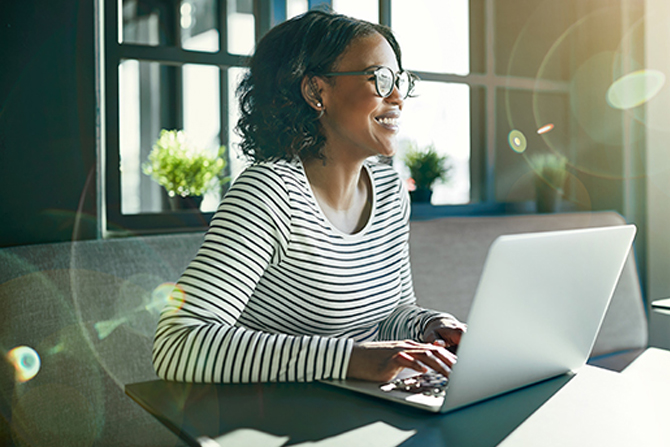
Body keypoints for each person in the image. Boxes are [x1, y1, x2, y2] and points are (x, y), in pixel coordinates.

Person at [152, 9, 466, 384]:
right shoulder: (267, 194)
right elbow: (178, 342)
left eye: (399, 80)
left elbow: (389, 314)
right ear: (317, 92)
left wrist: (430, 326)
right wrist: (349, 359)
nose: (398, 97)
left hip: (360, 408)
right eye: (380, 79)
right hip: (273, 419)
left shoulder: (389, 191)